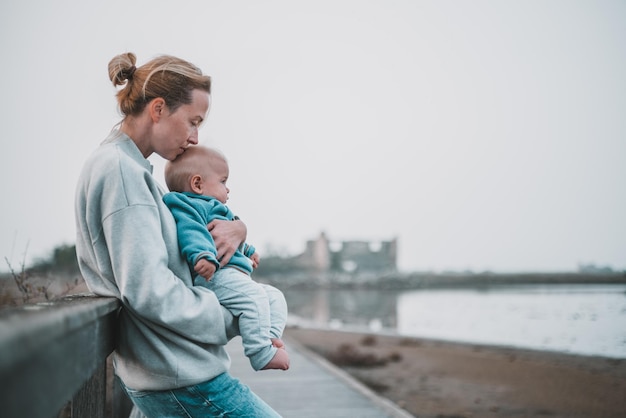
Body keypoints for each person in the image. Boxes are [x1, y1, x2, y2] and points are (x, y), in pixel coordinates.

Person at [75, 52, 282, 417]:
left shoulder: (132, 170)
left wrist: (239, 228)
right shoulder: (121, 172)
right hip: (182, 381)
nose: (195, 136)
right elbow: (148, 290)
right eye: (192, 121)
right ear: (158, 109)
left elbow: (189, 227)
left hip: (170, 372)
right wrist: (228, 317)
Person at [163, 146, 290, 371]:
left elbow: (230, 236)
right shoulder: (187, 205)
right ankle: (260, 354)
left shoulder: (219, 209)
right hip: (215, 275)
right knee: (254, 298)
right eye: (223, 181)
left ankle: (269, 338)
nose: (228, 189)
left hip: (233, 276)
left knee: (274, 297)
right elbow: (191, 232)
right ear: (198, 184)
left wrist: (249, 251)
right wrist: (202, 256)